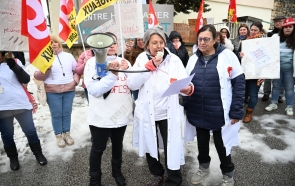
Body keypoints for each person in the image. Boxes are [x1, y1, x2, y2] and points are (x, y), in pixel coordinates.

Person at [126, 25, 191, 186]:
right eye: (154, 43)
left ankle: (174, 178)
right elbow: (132, 84)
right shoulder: (141, 59)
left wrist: (188, 89)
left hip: (167, 112)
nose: (158, 46)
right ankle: (157, 174)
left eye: (161, 42)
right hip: (147, 112)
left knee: (171, 145)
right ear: (147, 44)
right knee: (150, 143)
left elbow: (185, 83)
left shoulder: (174, 60)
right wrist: (150, 67)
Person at [184, 25, 245, 186]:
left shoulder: (228, 56)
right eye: (200, 39)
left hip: (219, 112)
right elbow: (186, 83)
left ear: (216, 39)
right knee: (202, 144)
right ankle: (203, 169)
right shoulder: (193, 59)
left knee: (222, 145)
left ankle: (228, 175)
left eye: (206, 39)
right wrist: (186, 102)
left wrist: (236, 111)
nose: (202, 42)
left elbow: (239, 84)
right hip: (198, 110)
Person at [84, 32, 133, 186]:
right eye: (108, 42)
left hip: (120, 115)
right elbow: (95, 90)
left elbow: (133, 85)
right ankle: (95, 179)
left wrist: (129, 71)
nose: (112, 45)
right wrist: (113, 74)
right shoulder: (92, 63)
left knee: (118, 146)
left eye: (114, 42)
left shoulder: (124, 62)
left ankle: (116, 172)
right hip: (101, 117)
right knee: (98, 149)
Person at [0, 51, 47, 171]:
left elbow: (26, 79)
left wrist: (12, 65)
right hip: (2, 108)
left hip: (21, 104)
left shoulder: (15, 62)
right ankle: (13, 158)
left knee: (30, 131)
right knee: (7, 135)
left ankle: (38, 154)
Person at [34, 35, 79, 148]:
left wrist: (75, 82)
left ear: (59, 43)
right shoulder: (43, 57)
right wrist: (47, 69)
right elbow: (37, 76)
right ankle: (58, 135)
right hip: (52, 91)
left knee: (67, 113)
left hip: (69, 90)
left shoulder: (68, 56)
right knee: (57, 114)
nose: (53, 44)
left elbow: (76, 71)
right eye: (50, 42)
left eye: (55, 42)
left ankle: (67, 134)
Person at [265, 17, 295, 116]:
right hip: (277, 69)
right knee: (276, 87)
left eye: (290, 27)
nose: (287, 29)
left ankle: (289, 106)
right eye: (285, 27)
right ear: (282, 28)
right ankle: (273, 103)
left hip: (290, 70)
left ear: (293, 28)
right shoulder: (275, 38)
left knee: (289, 88)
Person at [240, 22, 266, 123]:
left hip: (257, 73)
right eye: (252, 30)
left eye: (255, 30)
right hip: (245, 71)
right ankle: (238, 111)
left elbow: (268, 59)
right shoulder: (245, 41)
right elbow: (239, 54)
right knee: (243, 92)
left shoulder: (265, 42)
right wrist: (240, 54)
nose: (253, 32)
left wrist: (264, 74)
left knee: (254, 94)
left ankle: (249, 112)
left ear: (260, 31)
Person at [262, 15, 286, 102]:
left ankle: (279, 95)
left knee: (280, 78)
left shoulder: (287, 34)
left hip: (282, 59)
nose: (278, 23)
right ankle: (266, 93)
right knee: (268, 77)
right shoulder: (270, 34)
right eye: (276, 22)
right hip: (270, 58)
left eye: (280, 21)